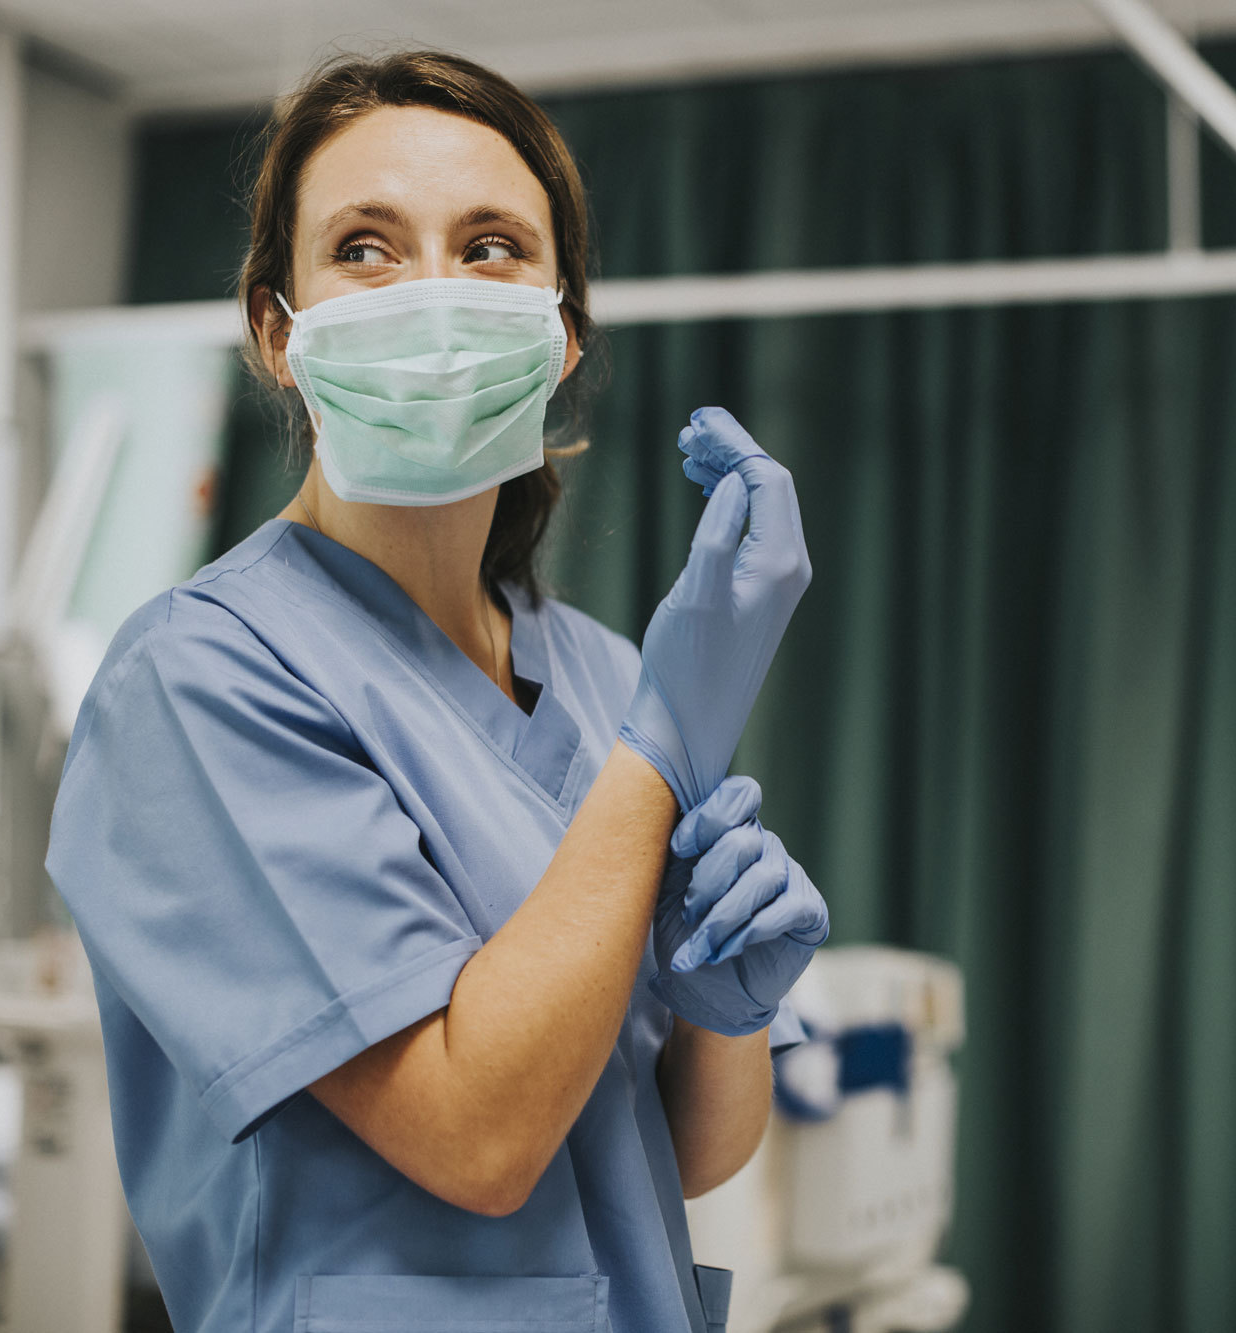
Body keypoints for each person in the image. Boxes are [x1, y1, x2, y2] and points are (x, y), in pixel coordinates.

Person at [44, 50, 827, 1333]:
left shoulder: (604, 676)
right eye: (363, 246)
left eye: (491, 247)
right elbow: (478, 1137)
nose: (431, 295)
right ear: (274, 331)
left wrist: (722, 1012)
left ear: (560, 332)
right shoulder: (196, 681)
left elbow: (666, 1157)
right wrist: (661, 753)